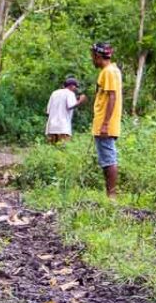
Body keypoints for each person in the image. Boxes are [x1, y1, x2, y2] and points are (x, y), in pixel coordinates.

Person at [90, 42, 122, 198]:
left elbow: (112, 96)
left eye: (92, 56)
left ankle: (111, 196)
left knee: (109, 159)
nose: (92, 59)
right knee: (106, 159)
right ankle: (110, 194)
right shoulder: (113, 70)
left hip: (105, 125)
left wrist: (105, 123)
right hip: (105, 123)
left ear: (97, 56)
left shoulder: (108, 72)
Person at [45, 76, 87, 144]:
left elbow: (48, 111)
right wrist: (80, 101)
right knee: (63, 150)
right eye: (75, 86)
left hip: (51, 127)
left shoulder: (54, 93)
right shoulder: (70, 93)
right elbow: (70, 106)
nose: (76, 88)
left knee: (52, 149)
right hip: (63, 127)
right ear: (71, 86)